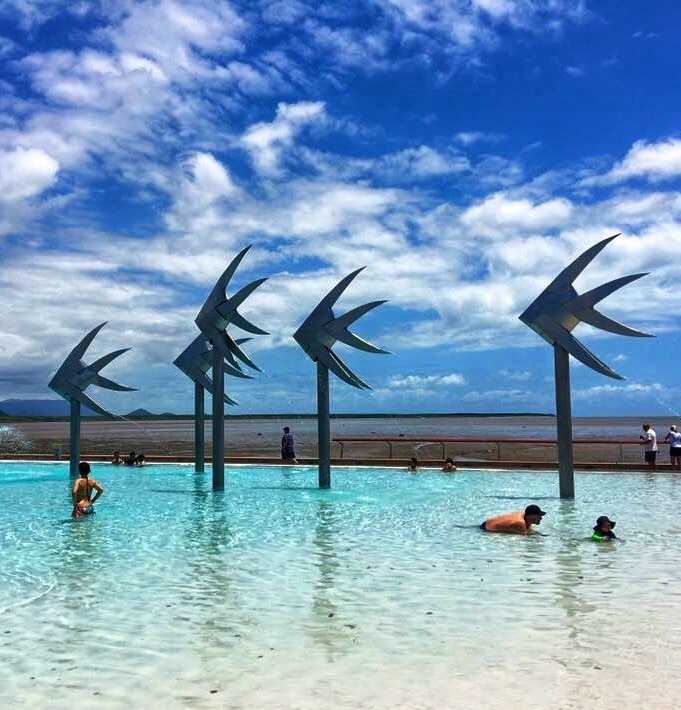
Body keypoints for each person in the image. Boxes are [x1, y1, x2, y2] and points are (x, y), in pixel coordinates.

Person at [480, 504, 546, 534]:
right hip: (487, 529)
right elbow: (526, 537)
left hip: (488, 522)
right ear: (532, 517)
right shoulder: (520, 523)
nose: (541, 518)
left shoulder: (523, 514)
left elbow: (528, 528)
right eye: (539, 516)